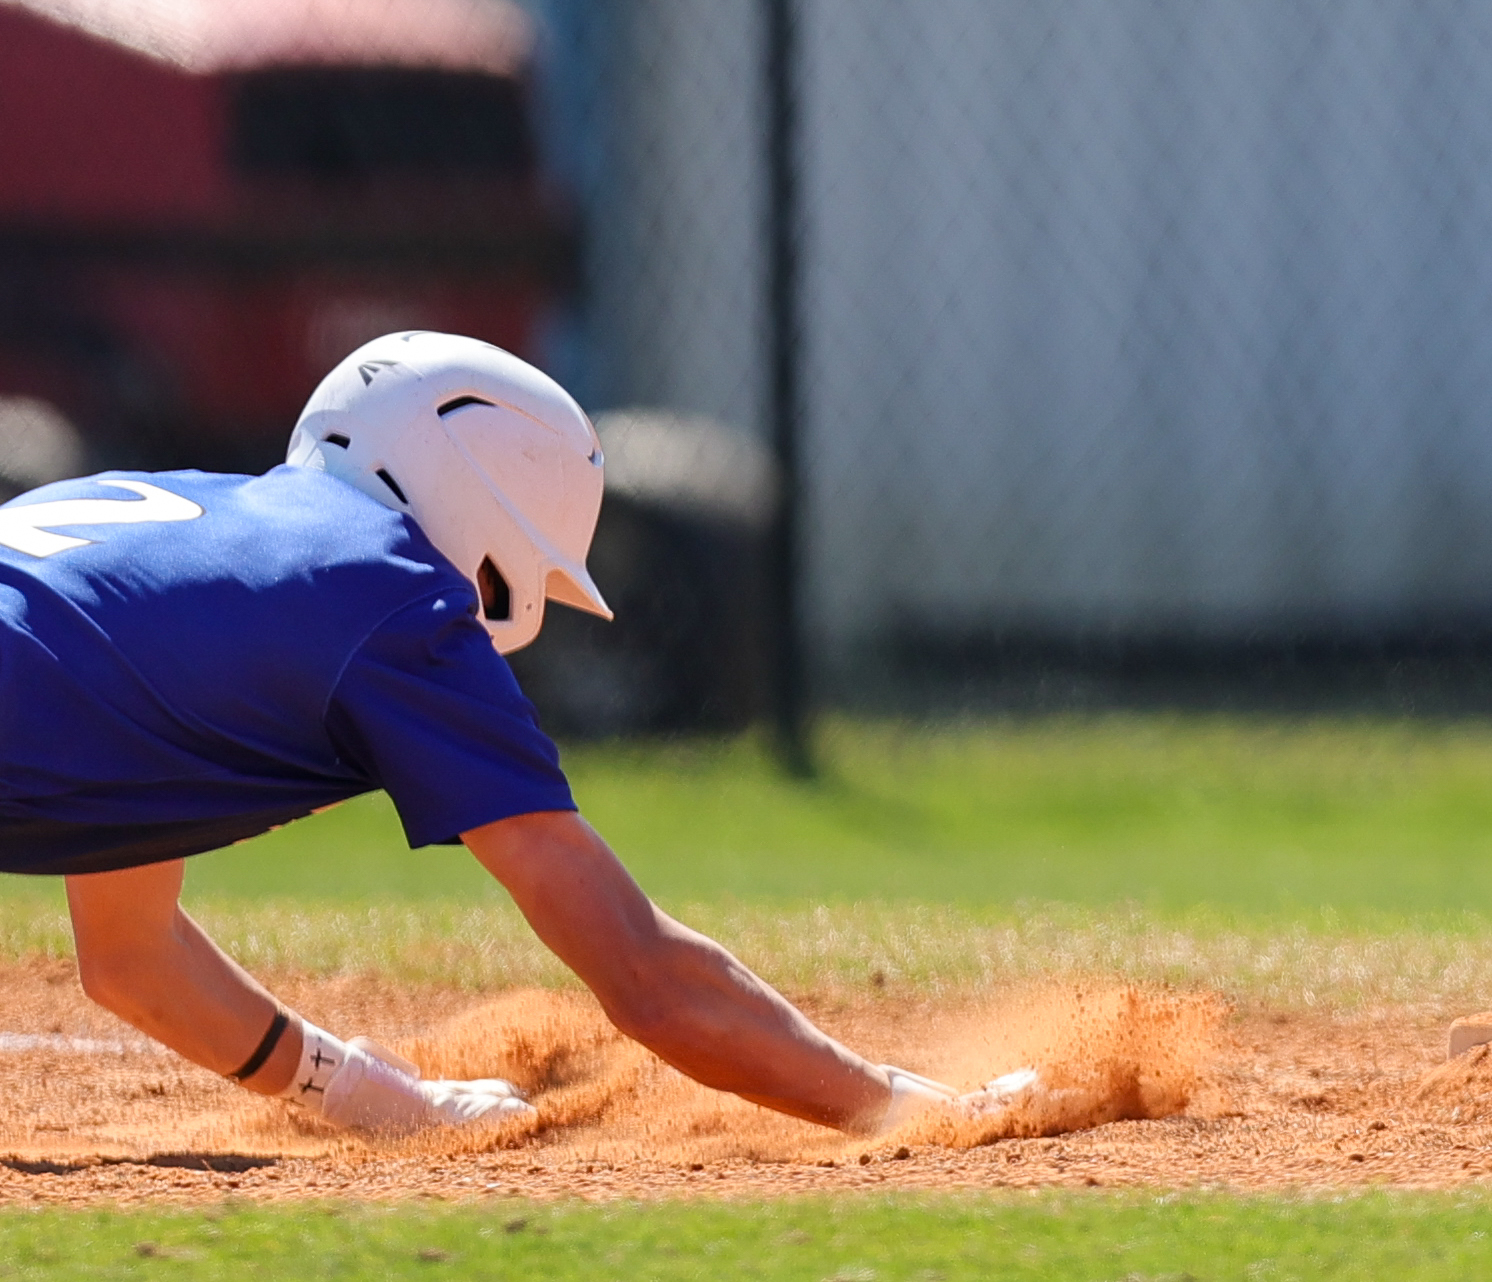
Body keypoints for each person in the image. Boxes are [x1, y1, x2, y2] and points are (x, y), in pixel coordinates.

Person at [1, 332, 986, 1137]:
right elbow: (647, 978)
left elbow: (131, 954)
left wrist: (384, 1105)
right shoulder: (385, 595)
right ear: (490, 501)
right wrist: (896, 1107)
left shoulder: (210, 549)